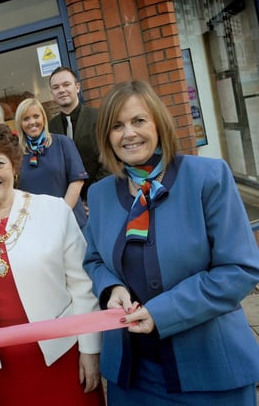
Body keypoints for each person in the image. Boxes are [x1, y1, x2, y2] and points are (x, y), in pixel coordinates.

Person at [83, 80, 259, 405]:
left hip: (212, 372)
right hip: (132, 378)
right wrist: (110, 288)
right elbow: (93, 260)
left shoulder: (208, 177)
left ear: (159, 124)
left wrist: (162, 312)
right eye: (117, 126)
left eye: (138, 121)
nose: (129, 134)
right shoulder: (100, 194)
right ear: (107, 136)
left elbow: (239, 269)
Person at [0, 122, 104, 406]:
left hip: (64, 353)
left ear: (14, 166)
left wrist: (90, 349)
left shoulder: (54, 210)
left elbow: (82, 284)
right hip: (3, 364)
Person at [15, 98, 88, 227]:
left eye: (36, 116)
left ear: (43, 118)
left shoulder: (62, 143)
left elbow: (77, 181)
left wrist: (62, 214)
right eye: (26, 119)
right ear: (20, 123)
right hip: (37, 226)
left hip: (69, 220)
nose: (32, 122)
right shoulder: (15, 154)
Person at [49, 67, 108, 201]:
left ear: (77, 87)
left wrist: (91, 197)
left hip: (99, 196)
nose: (62, 90)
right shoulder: (49, 128)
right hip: (67, 203)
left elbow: (108, 161)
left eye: (66, 84)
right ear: (52, 93)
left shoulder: (98, 118)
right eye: (56, 87)